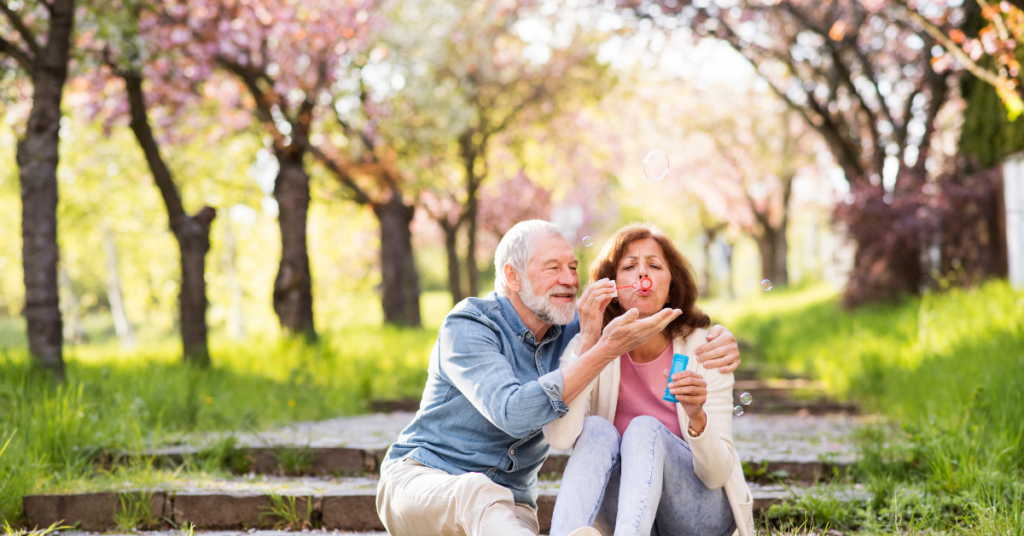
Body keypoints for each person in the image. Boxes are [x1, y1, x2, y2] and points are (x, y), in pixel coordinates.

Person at [375, 220, 743, 536]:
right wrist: (599, 349)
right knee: (478, 491)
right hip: (422, 481)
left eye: (572, 267)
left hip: (510, 506)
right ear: (512, 276)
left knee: (496, 504)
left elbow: (640, 319)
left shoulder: (574, 330)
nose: (568, 280)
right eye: (553, 268)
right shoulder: (471, 325)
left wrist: (723, 339)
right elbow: (515, 413)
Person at [544, 223, 755, 536]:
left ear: (671, 286)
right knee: (596, 429)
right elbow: (559, 438)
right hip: (629, 515)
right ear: (612, 286)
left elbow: (717, 475)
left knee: (644, 429)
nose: (643, 276)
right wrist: (590, 344)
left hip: (700, 516)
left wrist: (698, 417)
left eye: (655, 266)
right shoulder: (588, 345)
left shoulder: (706, 349)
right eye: (629, 267)